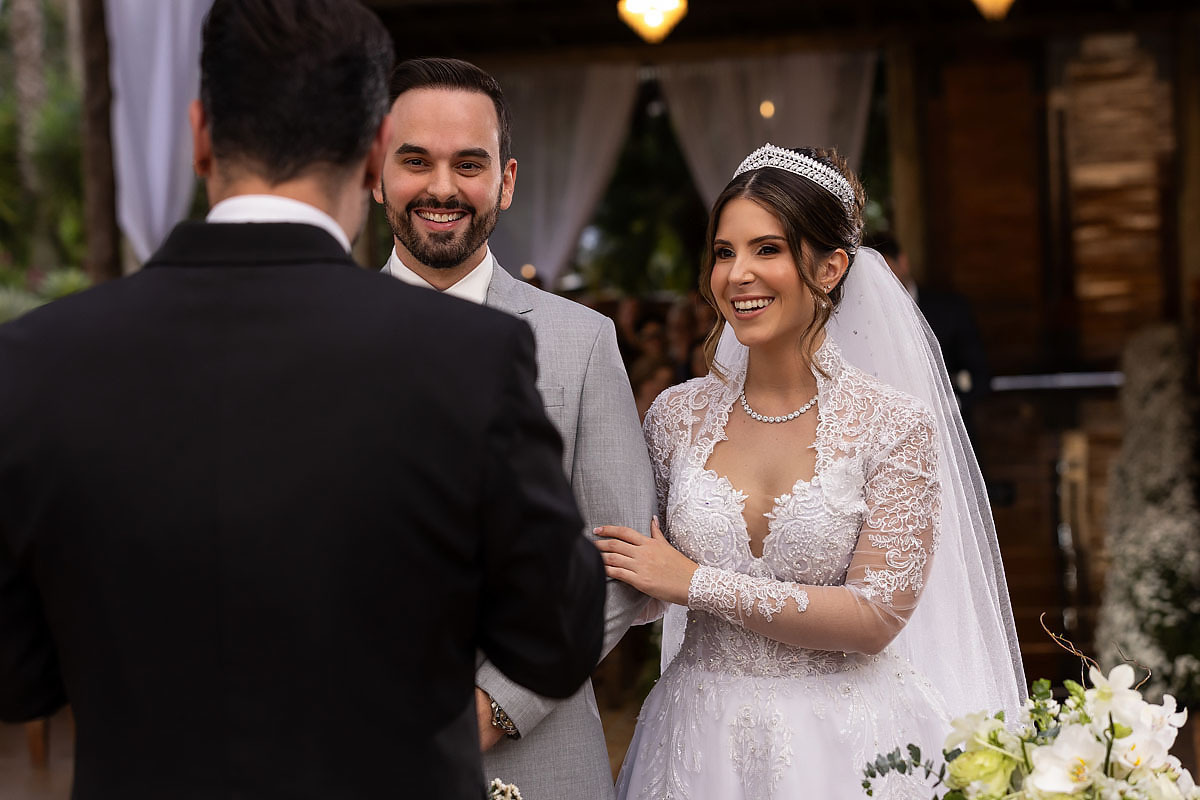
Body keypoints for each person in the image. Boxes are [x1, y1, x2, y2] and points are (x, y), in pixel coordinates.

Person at [0, 3, 605, 798]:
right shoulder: (469, 358)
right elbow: (556, 636)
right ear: (373, 156)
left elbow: (16, 676)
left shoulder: (35, 361)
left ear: (200, 136)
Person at [595, 144, 1025, 798]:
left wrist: (696, 582)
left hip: (849, 746)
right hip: (696, 739)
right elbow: (647, 581)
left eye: (767, 250)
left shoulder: (894, 425)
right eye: (724, 251)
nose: (738, 274)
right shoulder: (674, 416)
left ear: (830, 267)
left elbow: (875, 615)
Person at [374, 57, 656, 799]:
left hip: (541, 759)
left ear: (505, 180)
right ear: (377, 172)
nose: (442, 187)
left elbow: (622, 560)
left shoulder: (582, 343)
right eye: (416, 161)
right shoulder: (309, 342)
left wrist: (493, 708)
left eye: (469, 163)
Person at [876, 238, 991, 442]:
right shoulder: (868, 319)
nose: (881, 279)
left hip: (950, 430)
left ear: (903, 262)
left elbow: (980, 372)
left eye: (886, 268)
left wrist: (950, 405)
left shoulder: (950, 309)